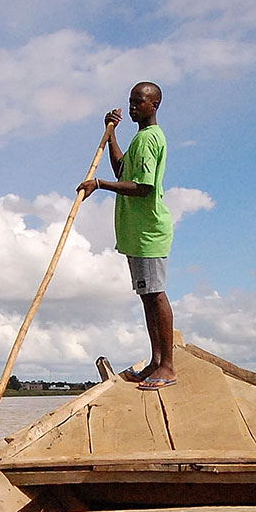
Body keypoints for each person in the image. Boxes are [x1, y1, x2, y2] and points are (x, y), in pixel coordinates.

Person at [77, 81, 176, 390]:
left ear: (154, 105)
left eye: (139, 102)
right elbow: (124, 171)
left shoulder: (150, 139)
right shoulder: (139, 139)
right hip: (136, 234)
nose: (133, 107)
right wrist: (111, 136)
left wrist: (100, 185)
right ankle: (156, 361)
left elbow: (143, 188)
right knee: (147, 297)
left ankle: (169, 367)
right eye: (131, 101)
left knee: (155, 295)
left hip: (149, 232)